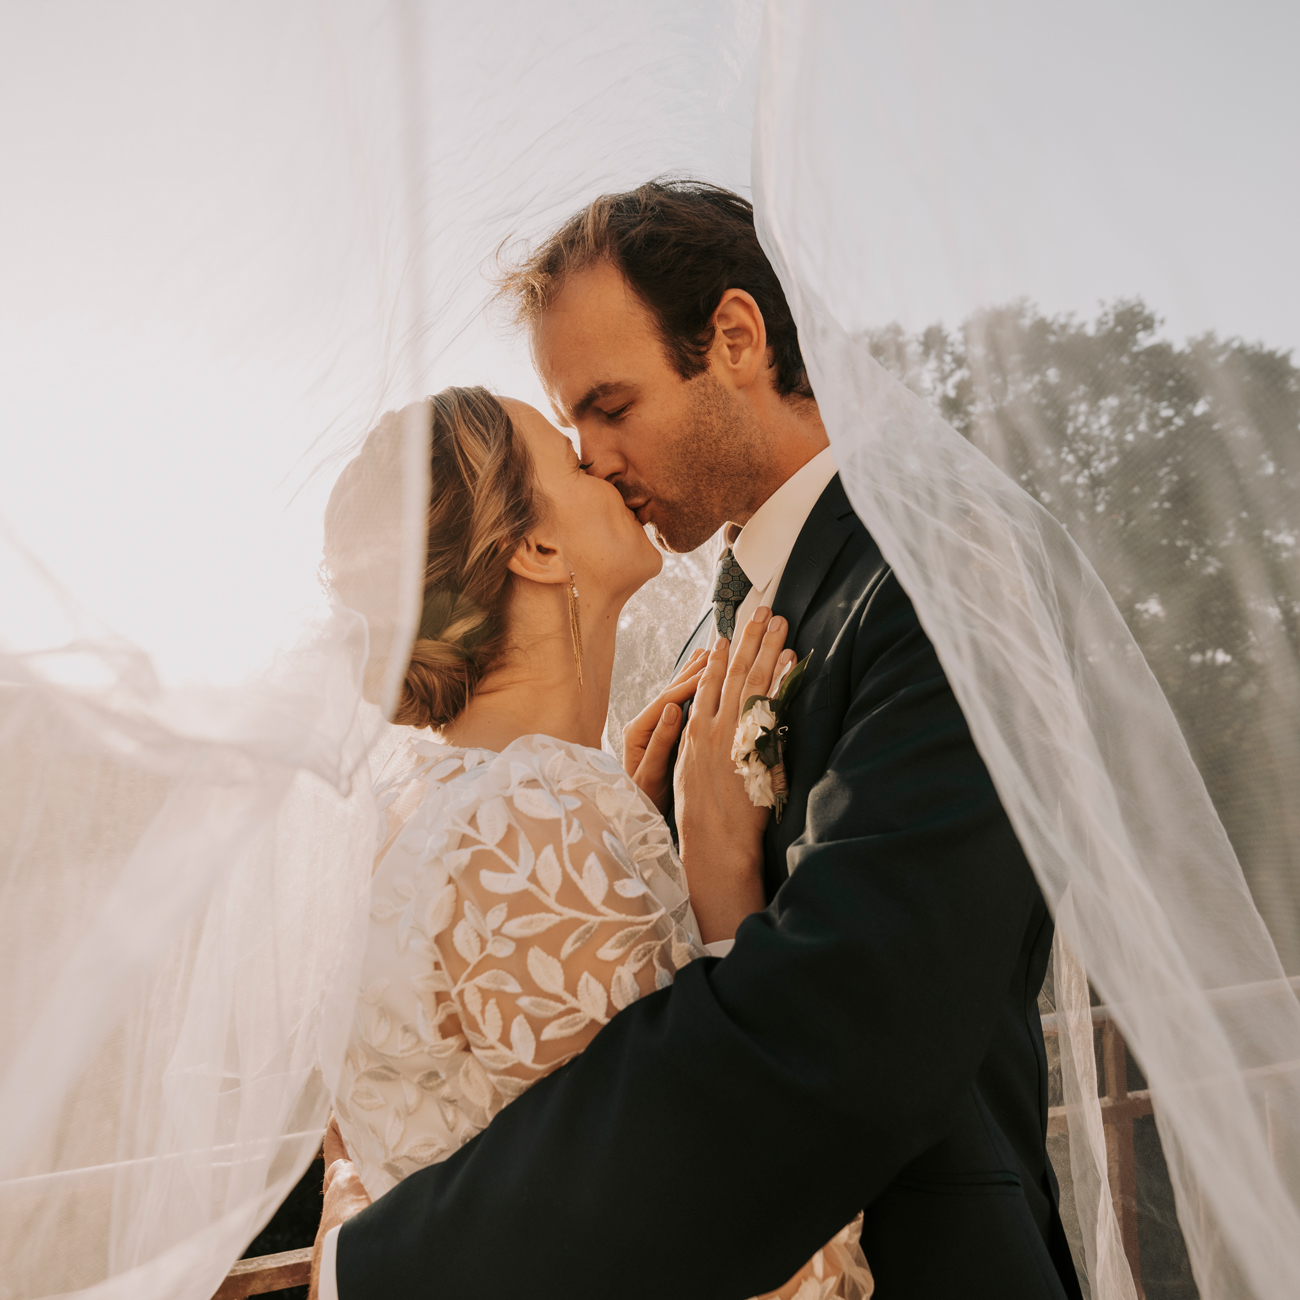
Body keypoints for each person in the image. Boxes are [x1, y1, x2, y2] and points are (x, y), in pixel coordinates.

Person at [313, 180, 1084, 1300]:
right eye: (570, 430)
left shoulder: (943, 574)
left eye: (610, 407)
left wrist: (381, 1263)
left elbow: (855, 1024)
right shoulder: (696, 655)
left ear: (733, 338)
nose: (597, 459)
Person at [316, 384, 872, 1299]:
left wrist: (628, 834)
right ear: (535, 548)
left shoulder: (418, 807)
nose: (607, 464)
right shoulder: (532, 821)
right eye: (573, 462)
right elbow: (746, 1232)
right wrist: (719, 879)